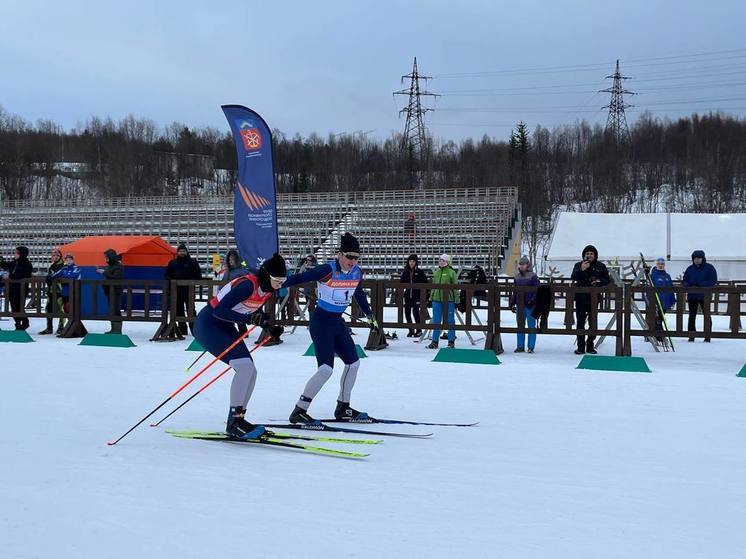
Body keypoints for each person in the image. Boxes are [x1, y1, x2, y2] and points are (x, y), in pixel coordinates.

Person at [281, 233, 380, 424]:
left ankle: (343, 407)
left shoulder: (357, 272)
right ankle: (299, 410)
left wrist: (370, 316)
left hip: (337, 322)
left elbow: (358, 293)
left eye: (356, 257)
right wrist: (273, 282)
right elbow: (300, 277)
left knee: (354, 364)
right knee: (326, 369)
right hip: (321, 322)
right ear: (339, 254)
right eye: (349, 256)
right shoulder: (327, 270)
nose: (353, 261)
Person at [193, 253, 287, 440]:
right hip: (209, 323)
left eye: (283, 280)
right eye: (277, 280)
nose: (280, 284)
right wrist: (250, 318)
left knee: (251, 371)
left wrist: (269, 327)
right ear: (267, 275)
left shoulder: (267, 289)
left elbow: (251, 309)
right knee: (244, 368)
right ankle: (234, 422)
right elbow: (219, 310)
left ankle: (239, 418)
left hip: (224, 325)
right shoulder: (247, 285)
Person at [570, 244, 610, 355]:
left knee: (593, 322)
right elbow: (574, 277)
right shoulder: (578, 265)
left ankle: (590, 345)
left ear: (595, 255)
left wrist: (598, 281)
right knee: (580, 322)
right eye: (587, 254)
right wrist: (582, 270)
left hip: (594, 298)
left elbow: (607, 280)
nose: (589, 255)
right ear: (584, 255)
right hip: (581, 297)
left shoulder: (600, 266)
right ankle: (580, 347)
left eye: (591, 254)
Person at [165, 243, 202, 336]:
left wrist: (191, 282)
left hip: (189, 290)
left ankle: (195, 330)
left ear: (186, 252)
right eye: (180, 251)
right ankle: (182, 330)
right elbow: (167, 275)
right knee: (178, 310)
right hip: (176, 291)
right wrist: (173, 282)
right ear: (177, 252)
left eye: (183, 251)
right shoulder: (172, 263)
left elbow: (198, 275)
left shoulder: (193, 262)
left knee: (191, 310)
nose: (182, 253)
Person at [682, 249, 717, 342]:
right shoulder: (689, 269)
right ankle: (691, 335)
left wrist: (701, 284)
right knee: (692, 315)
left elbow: (713, 280)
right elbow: (685, 280)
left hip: (704, 296)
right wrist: (688, 286)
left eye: (698, 258)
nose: (696, 260)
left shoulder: (709, 268)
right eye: (695, 258)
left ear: (702, 258)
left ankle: (707, 335)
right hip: (692, 296)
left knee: (706, 315)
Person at [510, 255, 540, 353]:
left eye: (524, 264)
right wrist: (512, 303)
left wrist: (533, 301)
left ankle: (531, 346)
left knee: (531, 325)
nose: (522, 266)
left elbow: (537, 290)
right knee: (520, 326)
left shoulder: (533, 276)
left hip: (530, 305)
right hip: (520, 304)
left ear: (528, 265)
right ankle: (520, 346)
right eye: (521, 264)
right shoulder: (517, 277)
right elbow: (515, 291)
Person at [428, 254, 457, 349]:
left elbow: (455, 287)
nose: (441, 262)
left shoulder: (451, 272)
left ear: (447, 262)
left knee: (450, 320)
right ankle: (434, 341)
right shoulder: (436, 272)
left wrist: (456, 299)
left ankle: (451, 341)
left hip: (448, 300)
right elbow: (433, 285)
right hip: (436, 299)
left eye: (443, 260)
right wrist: (431, 297)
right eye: (440, 260)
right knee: (436, 321)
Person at [0, 246, 33, 330]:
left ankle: (24, 322)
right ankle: (18, 323)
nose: (15, 254)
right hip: (12, 288)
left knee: (19, 307)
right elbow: (6, 266)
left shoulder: (27, 264)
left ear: (21, 254)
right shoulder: (15, 262)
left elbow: (21, 275)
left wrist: (10, 275)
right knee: (14, 307)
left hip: (21, 289)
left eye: (17, 252)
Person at [51, 253, 82, 336]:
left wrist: (63, 277)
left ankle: (72, 327)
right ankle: (69, 327)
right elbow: (54, 275)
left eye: (70, 259)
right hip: (65, 293)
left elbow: (73, 276)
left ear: (73, 260)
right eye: (66, 259)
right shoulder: (64, 268)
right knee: (66, 309)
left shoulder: (76, 268)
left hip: (74, 293)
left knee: (72, 310)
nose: (68, 261)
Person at [400, 254, 428, 337]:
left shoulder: (420, 272)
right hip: (408, 295)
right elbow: (401, 283)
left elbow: (425, 283)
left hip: (417, 296)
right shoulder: (405, 272)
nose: (411, 263)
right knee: (407, 312)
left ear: (416, 262)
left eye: (413, 261)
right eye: (410, 261)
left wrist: (424, 295)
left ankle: (419, 330)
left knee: (416, 312)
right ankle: (410, 329)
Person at [39, 248, 65, 335]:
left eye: (57, 255)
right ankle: (49, 328)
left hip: (60, 291)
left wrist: (52, 278)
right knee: (48, 309)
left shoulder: (63, 266)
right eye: (53, 255)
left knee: (61, 309)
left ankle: (61, 327)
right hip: (51, 290)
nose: (55, 257)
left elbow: (58, 277)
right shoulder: (52, 266)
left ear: (60, 256)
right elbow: (49, 278)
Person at [99, 249, 124, 334]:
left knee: (116, 310)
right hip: (109, 291)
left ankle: (117, 330)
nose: (105, 259)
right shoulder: (110, 266)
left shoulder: (119, 266)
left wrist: (104, 272)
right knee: (112, 310)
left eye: (106, 257)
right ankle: (113, 329)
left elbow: (115, 278)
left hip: (116, 291)